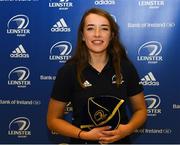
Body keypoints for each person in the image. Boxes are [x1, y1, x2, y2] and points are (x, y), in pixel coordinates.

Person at [47, 7, 147, 144]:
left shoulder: (126, 68)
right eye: (90, 28)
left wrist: (127, 129)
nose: (97, 34)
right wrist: (84, 135)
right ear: (82, 35)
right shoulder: (68, 71)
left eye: (104, 28)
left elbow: (141, 110)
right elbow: (53, 120)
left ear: (112, 35)